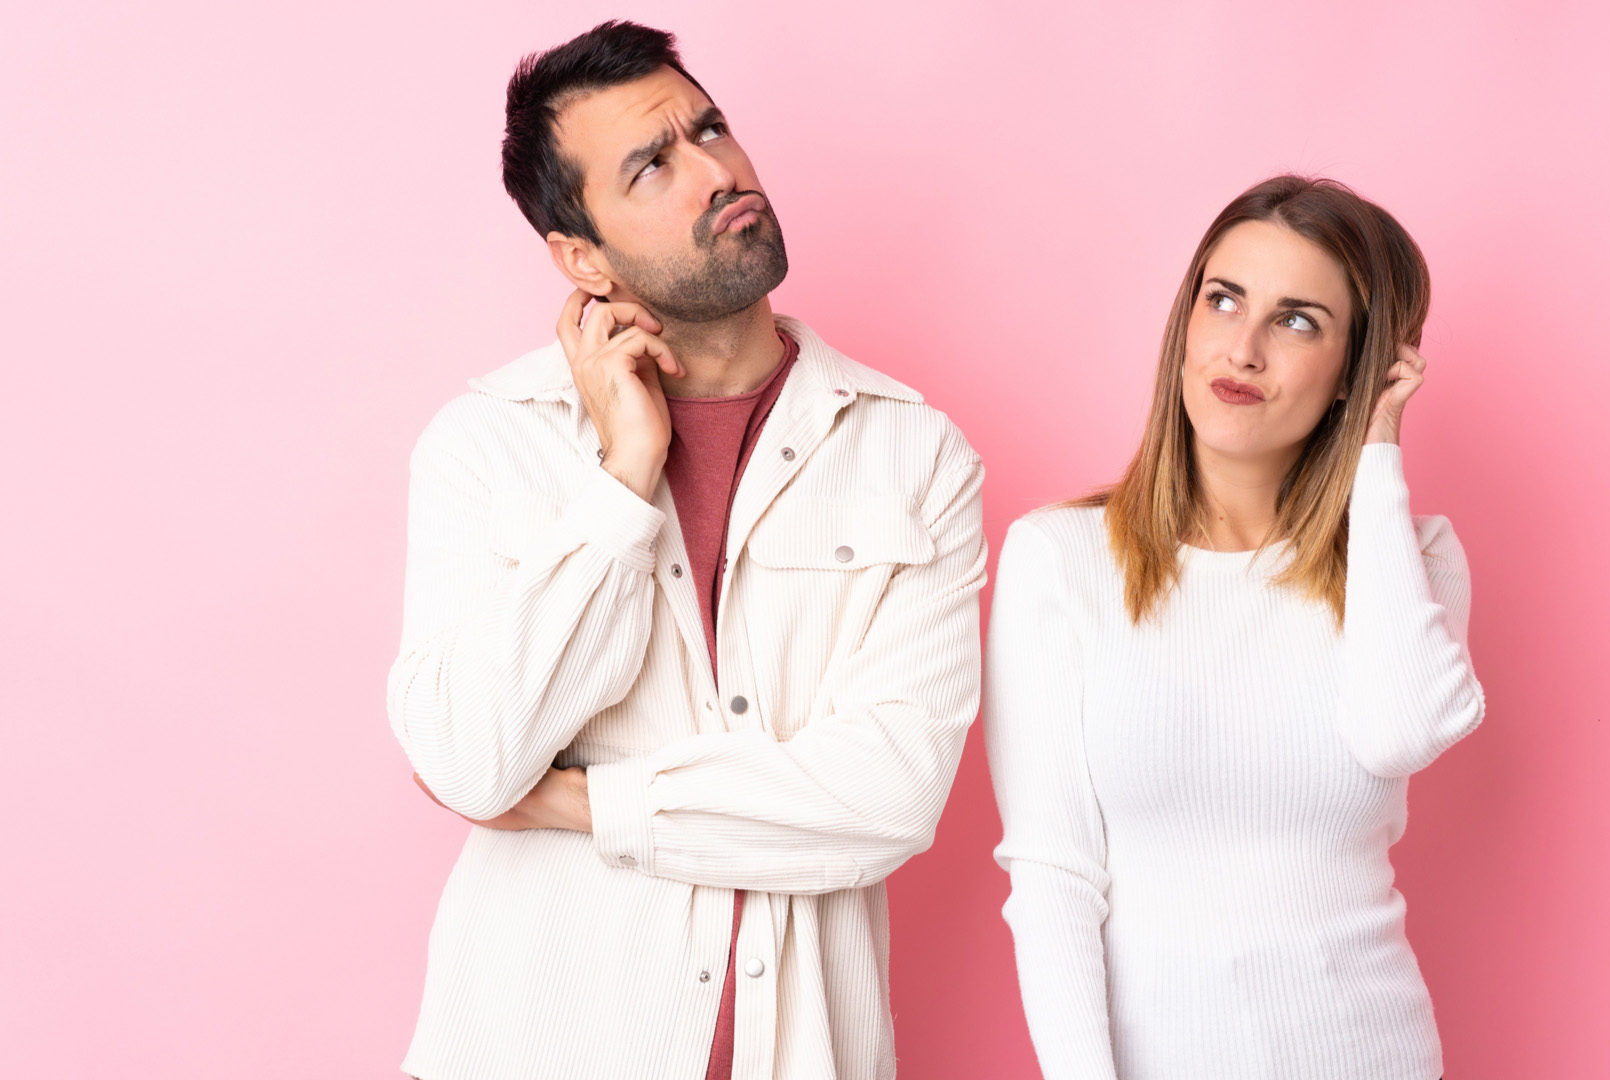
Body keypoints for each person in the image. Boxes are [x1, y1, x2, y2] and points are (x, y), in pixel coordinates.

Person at [387, 21, 986, 1080]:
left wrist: (586, 800)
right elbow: (470, 759)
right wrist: (624, 479)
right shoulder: (489, 446)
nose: (715, 170)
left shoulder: (912, 454)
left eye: (708, 128)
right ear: (581, 256)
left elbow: (891, 798)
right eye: (652, 166)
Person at [985, 175, 1484, 1080]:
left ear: (1358, 372)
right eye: (1224, 301)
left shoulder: (1411, 560)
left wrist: (1376, 458)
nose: (1242, 349)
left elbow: (1400, 727)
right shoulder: (1060, 560)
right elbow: (1053, 877)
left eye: (1298, 321)